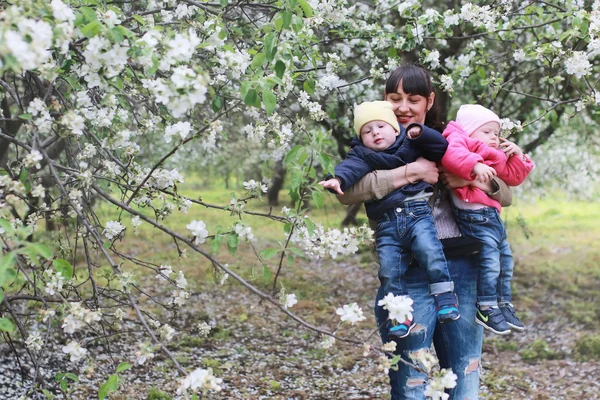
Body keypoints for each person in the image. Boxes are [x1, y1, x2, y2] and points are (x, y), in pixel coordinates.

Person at [336, 64, 513, 400]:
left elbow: (506, 194)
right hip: (409, 273)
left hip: (462, 269)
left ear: (429, 101)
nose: (403, 107)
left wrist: (471, 178)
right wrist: (410, 172)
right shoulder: (373, 143)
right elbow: (347, 191)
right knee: (410, 382)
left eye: (413, 99)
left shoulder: (449, 138)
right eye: (394, 98)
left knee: (464, 375)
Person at [320, 100, 460, 340]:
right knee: (389, 269)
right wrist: (338, 180)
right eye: (367, 130)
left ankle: (444, 295)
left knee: (430, 250)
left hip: (417, 213)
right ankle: (399, 314)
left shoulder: (411, 141)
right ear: (360, 138)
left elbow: (441, 148)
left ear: (395, 129)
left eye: (380, 127)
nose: (375, 133)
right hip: (386, 223)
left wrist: (421, 132)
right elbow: (350, 169)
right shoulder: (363, 156)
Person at [441, 104, 534, 335]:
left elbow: (512, 179)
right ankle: (486, 306)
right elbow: (453, 155)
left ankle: (504, 303)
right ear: (469, 130)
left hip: (492, 217)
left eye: (496, 132)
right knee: (490, 260)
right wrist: (475, 165)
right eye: (487, 131)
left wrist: (517, 154)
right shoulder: (459, 138)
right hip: (474, 215)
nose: (494, 137)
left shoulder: (495, 154)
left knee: (506, 261)